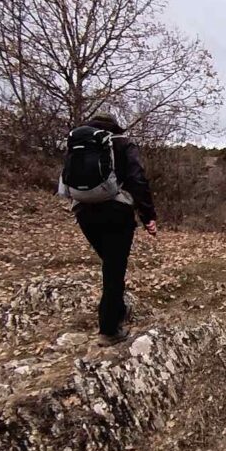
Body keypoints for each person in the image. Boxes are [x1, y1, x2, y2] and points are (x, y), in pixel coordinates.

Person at [59, 112, 156, 345]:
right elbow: (137, 178)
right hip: (116, 212)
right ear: (116, 126)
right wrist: (148, 215)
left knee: (110, 264)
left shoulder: (79, 142)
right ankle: (109, 330)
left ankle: (117, 309)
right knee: (114, 269)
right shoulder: (123, 142)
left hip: (83, 211)